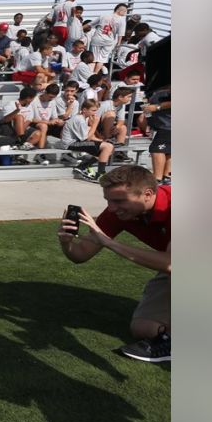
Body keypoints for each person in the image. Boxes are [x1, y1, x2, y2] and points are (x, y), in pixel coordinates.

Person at [58, 166, 171, 362]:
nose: (111, 208)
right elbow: (80, 254)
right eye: (108, 200)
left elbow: (172, 264)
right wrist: (66, 242)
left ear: (147, 194)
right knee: (144, 328)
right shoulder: (119, 212)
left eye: (119, 201)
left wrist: (109, 242)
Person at [61, 99, 116, 182]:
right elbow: (86, 138)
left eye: (96, 111)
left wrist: (101, 141)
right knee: (107, 147)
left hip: (77, 142)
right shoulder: (79, 119)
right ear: (84, 110)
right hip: (70, 144)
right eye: (93, 110)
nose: (95, 113)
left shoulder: (84, 118)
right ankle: (100, 174)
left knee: (108, 148)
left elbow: (88, 136)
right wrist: (95, 123)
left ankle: (82, 167)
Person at [142, 85, 172, 185]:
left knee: (157, 150)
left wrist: (157, 107)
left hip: (168, 127)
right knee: (168, 151)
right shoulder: (159, 92)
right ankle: (166, 178)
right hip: (162, 126)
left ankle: (157, 179)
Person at [90, 3, 129, 75]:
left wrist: (82, 28)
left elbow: (91, 24)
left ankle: (90, 75)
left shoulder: (104, 15)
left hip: (97, 38)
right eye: (125, 11)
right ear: (121, 10)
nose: (125, 13)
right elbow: (121, 34)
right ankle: (94, 74)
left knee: (94, 59)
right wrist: (119, 43)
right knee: (101, 59)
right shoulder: (122, 20)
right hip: (108, 41)